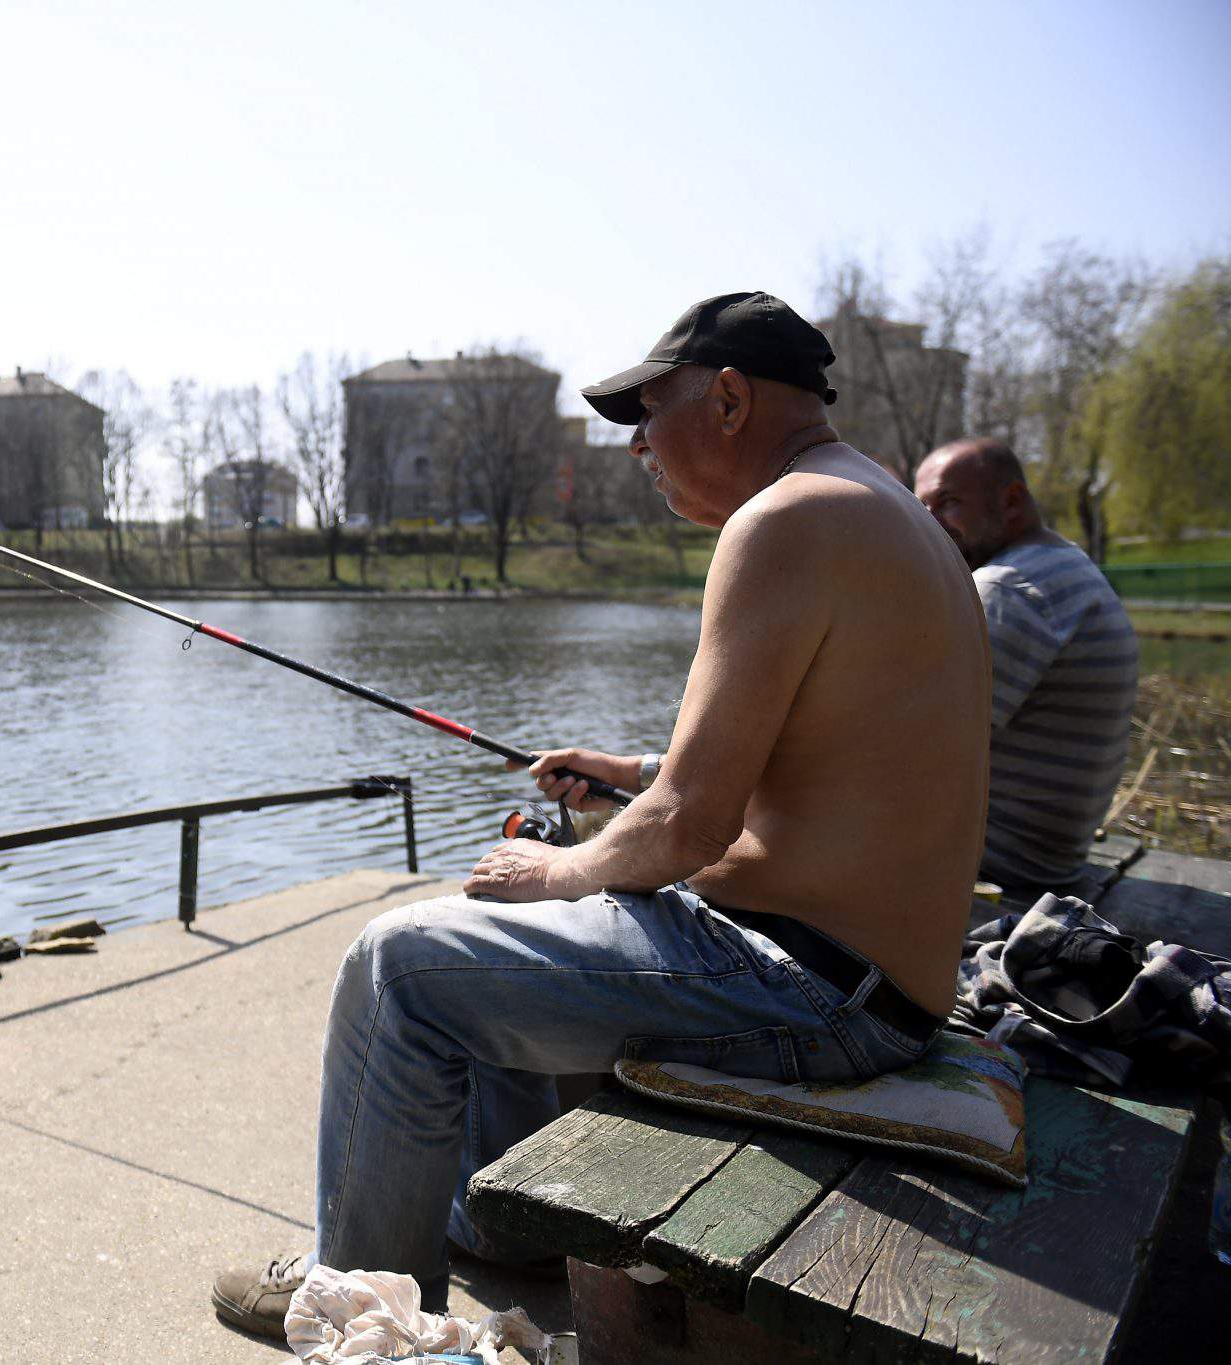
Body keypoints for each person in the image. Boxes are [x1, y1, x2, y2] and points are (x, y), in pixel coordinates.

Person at [211, 292, 991, 1339]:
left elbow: (686, 828)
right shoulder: (880, 509)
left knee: (400, 962)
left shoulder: (785, 520)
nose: (634, 449)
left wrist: (560, 872)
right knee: (506, 930)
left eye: (644, 415)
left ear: (724, 400)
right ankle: (497, 1221)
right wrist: (624, 774)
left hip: (812, 990)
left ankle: (360, 1305)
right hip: (871, 978)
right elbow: (817, 757)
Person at [913, 437, 1139, 895]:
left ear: (1011, 501)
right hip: (1048, 859)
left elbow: (912, 748)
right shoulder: (1062, 563)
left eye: (948, 503)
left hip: (1000, 864)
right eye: (922, 508)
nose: (929, 524)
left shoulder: (1008, 589)